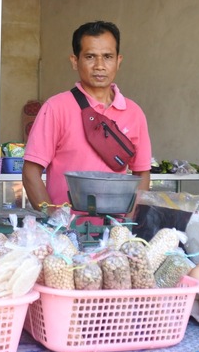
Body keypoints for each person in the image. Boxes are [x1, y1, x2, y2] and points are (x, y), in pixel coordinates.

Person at [22, 21, 152, 212]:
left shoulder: (134, 113)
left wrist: (128, 224)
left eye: (108, 57)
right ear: (75, 61)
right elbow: (30, 173)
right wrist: (54, 220)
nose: (99, 66)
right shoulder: (56, 108)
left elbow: (142, 173)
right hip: (65, 234)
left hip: (114, 233)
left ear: (119, 61)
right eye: (90, 56)